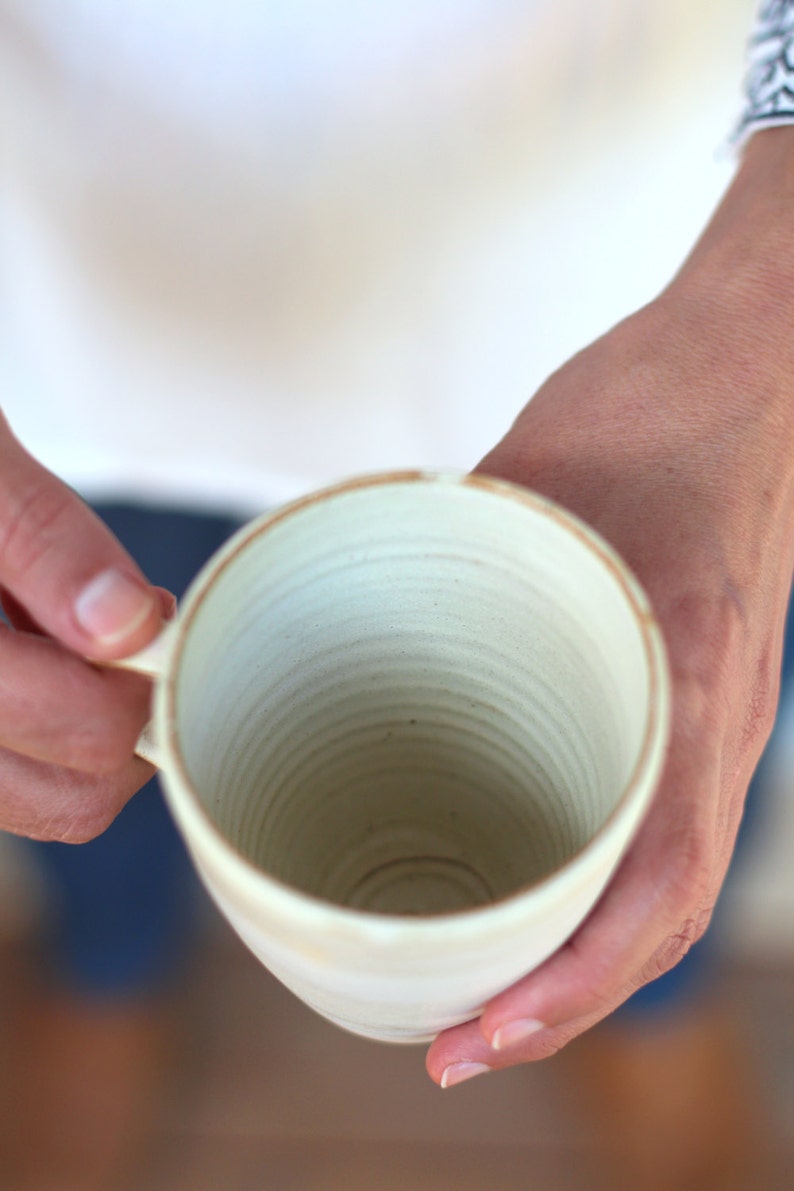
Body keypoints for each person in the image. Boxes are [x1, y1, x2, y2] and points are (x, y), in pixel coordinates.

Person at [0, 0, 788, 1181]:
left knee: (680, 759)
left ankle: (651, 1011)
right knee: (72, 729)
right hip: (78, 297)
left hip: (654, 312)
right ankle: (109, 973)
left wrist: (765, 314)